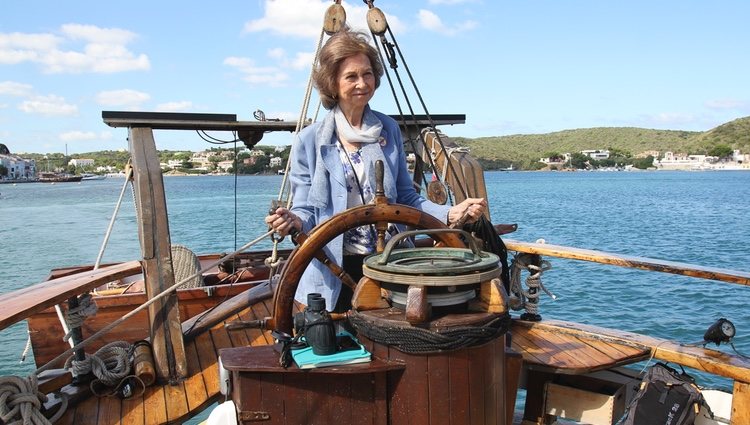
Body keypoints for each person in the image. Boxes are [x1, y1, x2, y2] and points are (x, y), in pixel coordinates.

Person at [265, 29, 486, 312]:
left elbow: (406, 198)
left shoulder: (388, 129)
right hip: (332, 265)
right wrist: (292, 219)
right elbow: (308, 210)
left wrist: (451, 213)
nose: (362, 83)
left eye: (367, 74)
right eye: (351, 76)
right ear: (332, 83)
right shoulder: (309, 141)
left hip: (389, 263)